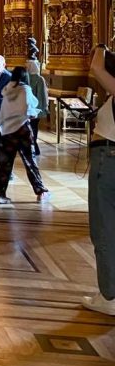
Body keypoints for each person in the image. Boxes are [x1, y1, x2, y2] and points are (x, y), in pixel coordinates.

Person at [84, 44, 115, 314]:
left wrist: (103, 48)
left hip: (109, 160)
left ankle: (109, 296)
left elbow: (95, 67)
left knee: (104, 227)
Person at [0, 66, 49, 204]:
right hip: (22, 129)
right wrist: (35, 112)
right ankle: (40, 191)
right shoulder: (25, 89)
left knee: (4, 164)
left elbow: (4, 110)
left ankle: (0, 194)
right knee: (30, 161)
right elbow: (28, 108)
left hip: (7, 130)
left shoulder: (7, 89)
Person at [26, 59, 49, 156]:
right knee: (33, 128)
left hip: (31, 109)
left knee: (31, 128)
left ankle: (33, 146)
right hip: (33, 109)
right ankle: (33, 146)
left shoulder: (35, 79)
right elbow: (42, 95)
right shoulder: (38, 79)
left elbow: (40, 95)